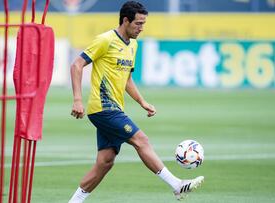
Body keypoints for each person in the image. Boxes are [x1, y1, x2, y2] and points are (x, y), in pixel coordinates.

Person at [68, 1, 204, 202]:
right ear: (125, 20)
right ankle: (177, 185)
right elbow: (77, 65)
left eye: (143, 24)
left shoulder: (133, 45)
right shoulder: (105, 40)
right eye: (138, 23)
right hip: (103, 107)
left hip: (115, 107)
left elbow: (127, 79)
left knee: (105, 162)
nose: (141, 28)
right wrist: (77, 100)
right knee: (142, 140)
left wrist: (142, 102)